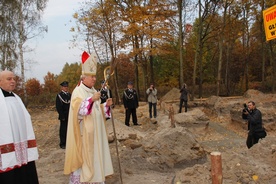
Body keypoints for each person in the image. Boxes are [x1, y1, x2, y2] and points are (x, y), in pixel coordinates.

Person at [64, 51, 113, 184]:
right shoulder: (78, 91)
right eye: (91, 76)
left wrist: (105, 106)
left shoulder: (92, 90)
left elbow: (96, 112)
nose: (94, 79)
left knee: (96, 160)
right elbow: (78, 111)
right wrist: (91, 100)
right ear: (83, 77)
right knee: (86, 162)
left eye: (95, 76)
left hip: (95, 135)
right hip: (84, 136)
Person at [0, 70, 39, 184]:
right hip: (6, 148)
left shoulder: (17, 98)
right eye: (9, 79)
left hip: (21, 145)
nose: (13, 81)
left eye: (14, 79)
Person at [56, 81, 71, 149]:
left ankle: (69, 142)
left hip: (69, 114)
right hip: (63, 115)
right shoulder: (59, 95)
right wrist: (61, 115)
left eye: (66, 87)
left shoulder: (69, 95)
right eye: (64, 87)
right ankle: (62, 143)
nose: (66, 88)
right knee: (63, 129)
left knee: (69, 129)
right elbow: (58, 106)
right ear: (61, 87)